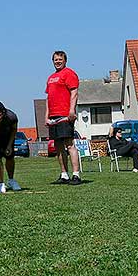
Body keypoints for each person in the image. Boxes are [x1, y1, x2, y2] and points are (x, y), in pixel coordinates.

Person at [45, 50, 81, 185]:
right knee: (58, 146)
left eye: (60, 59)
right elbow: (48, 98)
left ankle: (76, 175)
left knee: (70, 144)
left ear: (65, 60)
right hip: (53, 117)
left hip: (65, 115)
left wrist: (71, 110)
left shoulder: (69, 73)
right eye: (55, 59)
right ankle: (64, 174)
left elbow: (74, 93)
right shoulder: (51, 78)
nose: (58, 61)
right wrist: (46, 116)